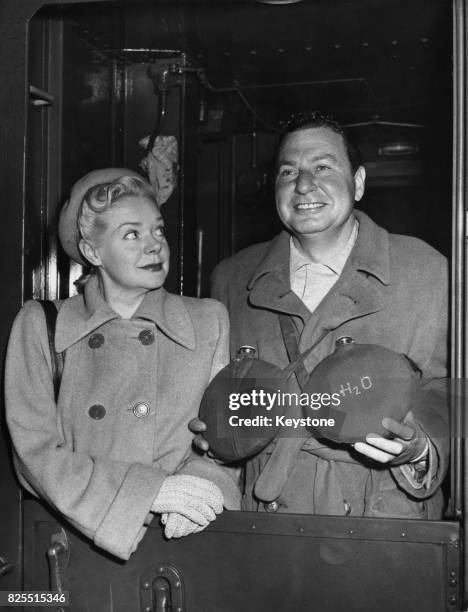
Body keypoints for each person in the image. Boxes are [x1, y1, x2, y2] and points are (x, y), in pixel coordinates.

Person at [192, 112, 449, 519]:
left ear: (358, 183)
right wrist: (219, 442)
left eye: (323, 167)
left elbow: (446, 394)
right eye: (288, 171)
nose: (304, 185)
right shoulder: (232, 278)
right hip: (267, 519)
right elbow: (226, 401)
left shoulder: (425, 270)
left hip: (384, 521)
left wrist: (420, 448)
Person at [5, 169, 240, 561]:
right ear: (93, 252)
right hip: (76, 543)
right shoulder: (40, 325)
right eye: (132, 234)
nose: (155, 247)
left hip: (184, 537)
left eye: (158, 231)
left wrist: (206, 484)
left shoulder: (208, 321)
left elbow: (222, 441)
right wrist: (149, 492)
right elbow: (34, 453)